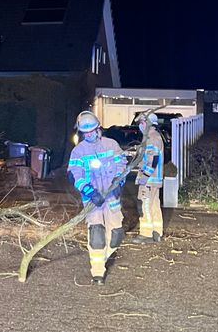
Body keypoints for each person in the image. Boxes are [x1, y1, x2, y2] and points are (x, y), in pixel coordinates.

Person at [67, 111, 127, 284]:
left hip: (111, 199)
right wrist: (89, 191)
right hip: (92, 201)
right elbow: (74, 175)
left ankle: (105, 258)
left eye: (91, 131)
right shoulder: (78, 151)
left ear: (98, 128)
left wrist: (118, 183)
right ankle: (98, 272)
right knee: (97, 235)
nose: (89, 134)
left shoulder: (111, 145)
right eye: (85, 132)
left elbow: (121, 165)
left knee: (116, 235)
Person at [132, 112, 164, 243]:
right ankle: (157, 232)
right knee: (154, 205)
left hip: (149, 180)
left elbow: (152, 159)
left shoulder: (152, 139)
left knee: (144, 206)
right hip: (154, 180)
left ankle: (146, 234)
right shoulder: (155, 137)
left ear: (147, 124)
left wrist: (145, 175)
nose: (140, 126)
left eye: (141, 123)